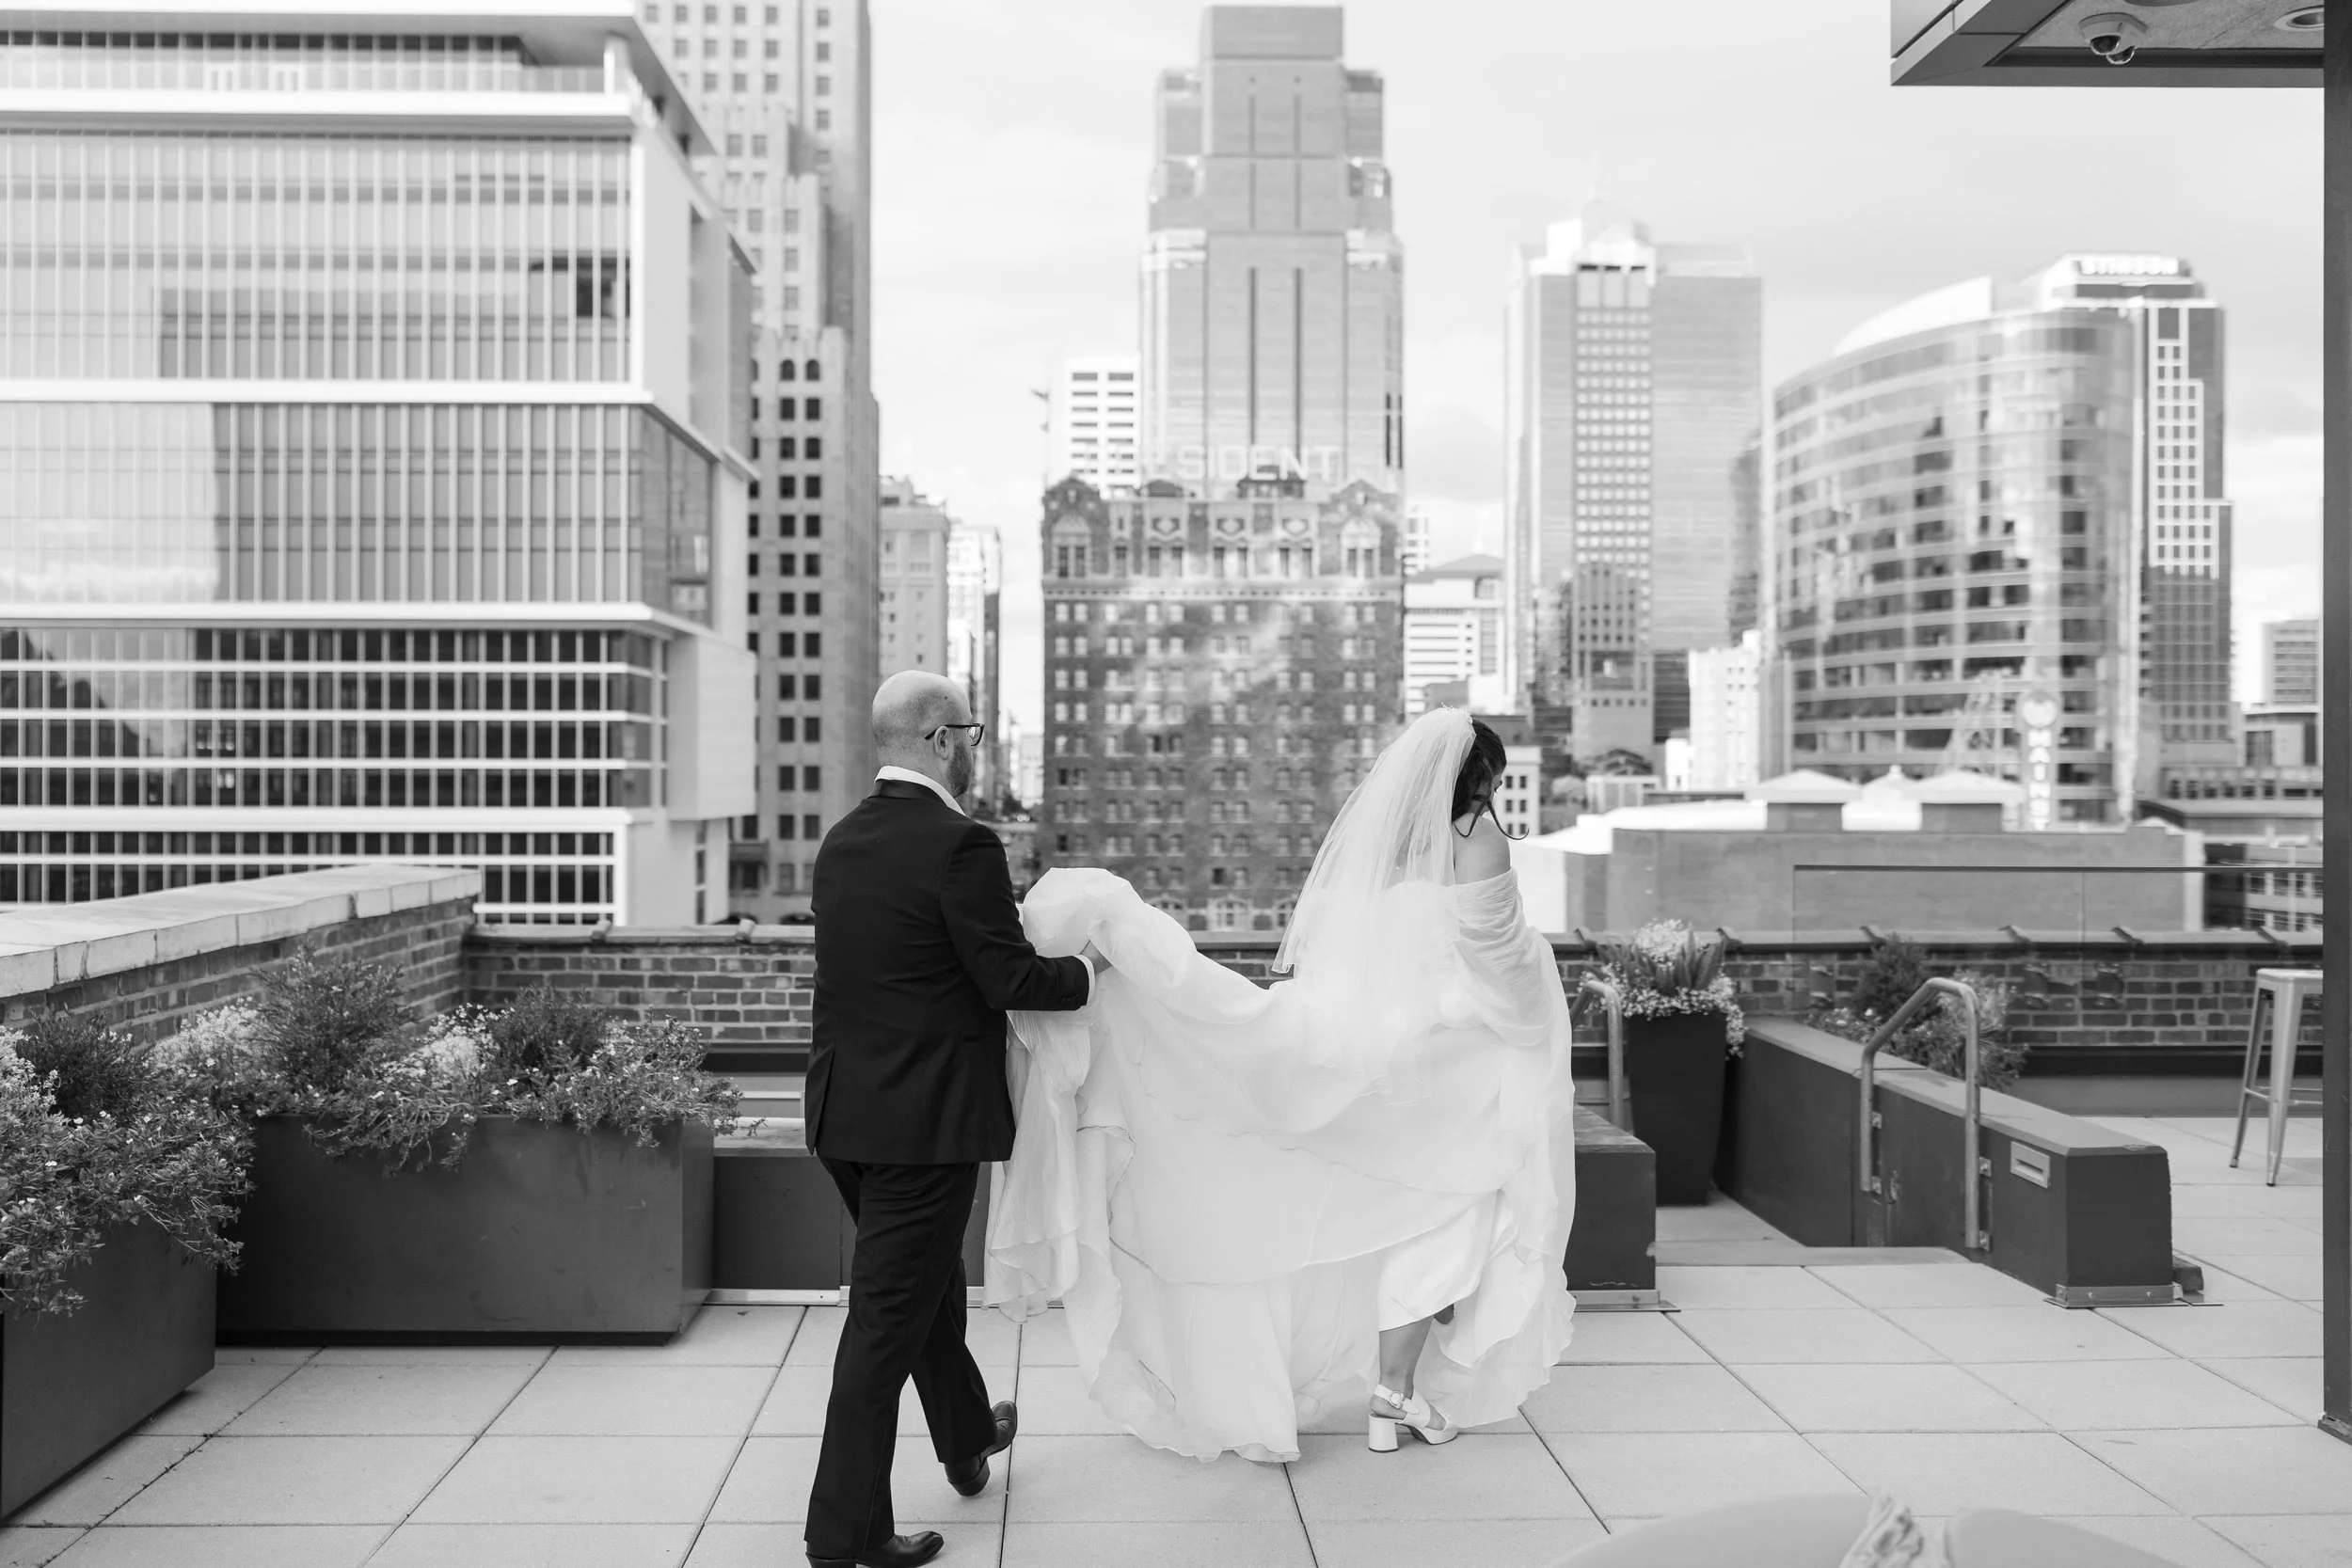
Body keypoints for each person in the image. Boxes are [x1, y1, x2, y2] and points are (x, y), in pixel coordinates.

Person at [987, 706, 1578, 1464]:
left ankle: (1389, 1389)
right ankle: (1393, 1387)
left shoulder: (1387, 842)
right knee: (1451, 1207)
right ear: (1482, 778)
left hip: (1361, 1052)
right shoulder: (1477, 838)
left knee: (1411, 1206)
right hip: (1436, 1065)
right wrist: (1540, 997)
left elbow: (1341, 953)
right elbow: (1500, 962)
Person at [803, 670, 1108, 1568]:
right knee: (882, 1327)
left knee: (924, 1290)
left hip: (843, 1118)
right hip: (924, 1131)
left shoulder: (841, 842)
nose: (976, 746)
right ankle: (843, 1535)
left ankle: (968, 1434)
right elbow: (1010, 977)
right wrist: (1092, 969)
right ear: (939, 738)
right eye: (970, 730)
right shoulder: (960, 846)